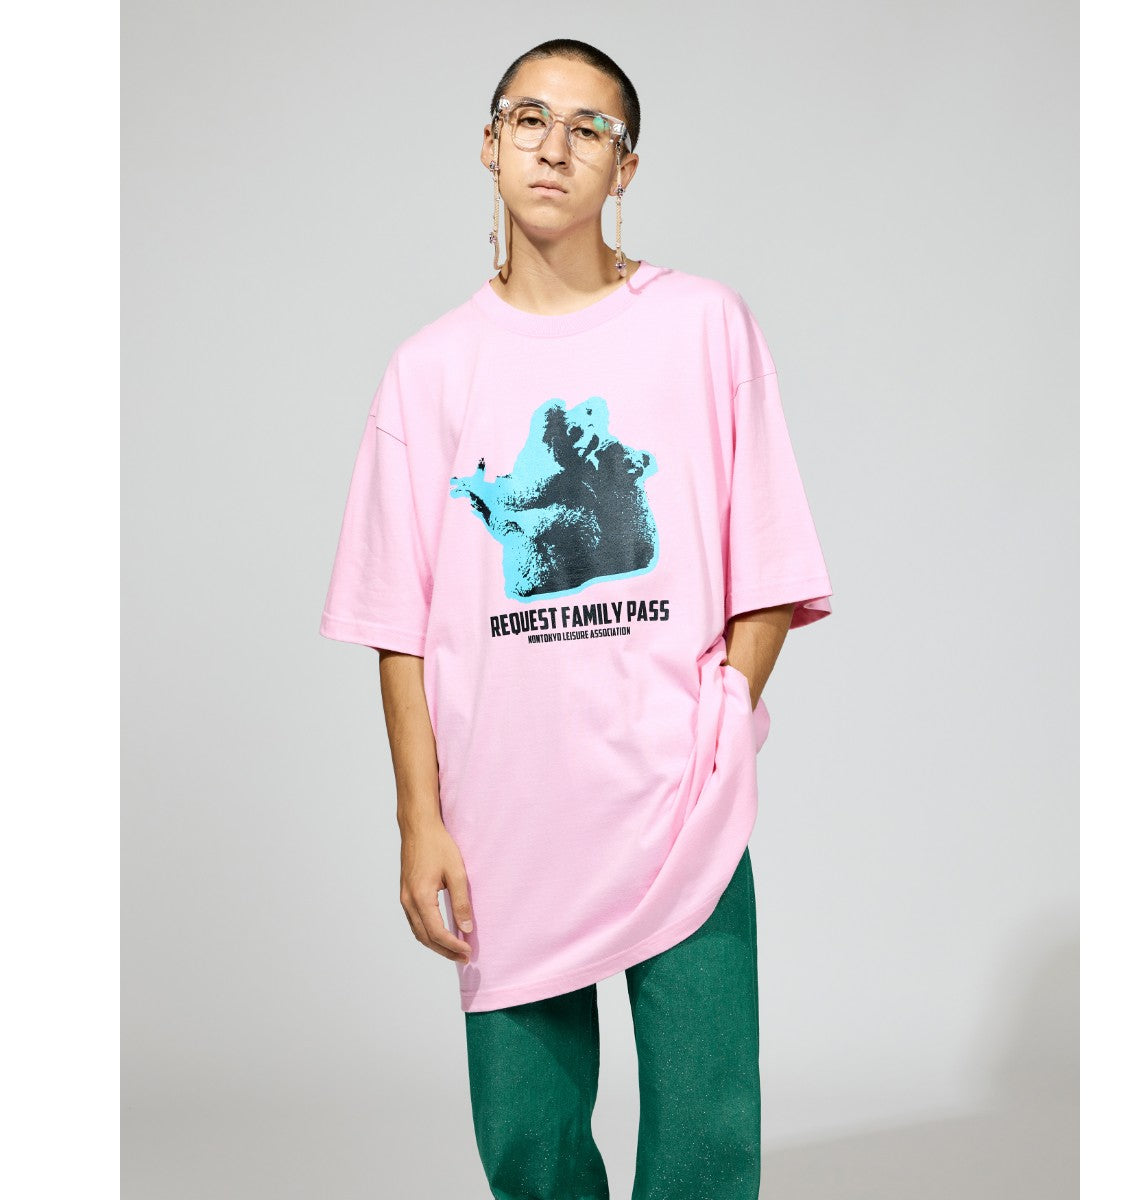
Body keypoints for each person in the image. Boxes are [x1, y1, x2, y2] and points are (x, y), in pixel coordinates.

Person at [319, 38, 833, 1200]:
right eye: (530, 119)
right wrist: (418, 818)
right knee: (526, 1136)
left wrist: (726, 712)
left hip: (679, 789)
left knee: (706, 1125)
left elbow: (768, 559)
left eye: (589, 128)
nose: (555, 147)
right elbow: (399, 622)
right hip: (504, 805)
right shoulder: (429, 371)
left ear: (625, 167)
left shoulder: (703, 326)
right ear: (489, 144)